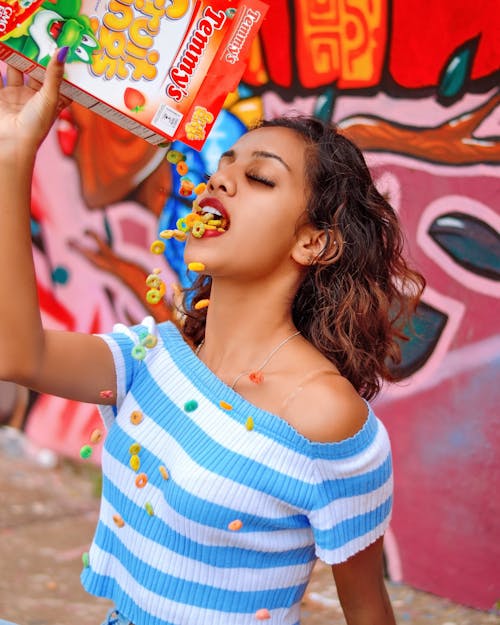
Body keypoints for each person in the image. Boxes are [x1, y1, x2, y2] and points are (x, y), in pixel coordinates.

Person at [0, 49, 425, 625]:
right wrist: (12, 154)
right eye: (224, 166)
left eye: (258, 178)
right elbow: (19, 355)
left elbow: (368, 609)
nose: (221, 179)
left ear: (314, 243)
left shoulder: (325, 415)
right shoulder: (152, 360)